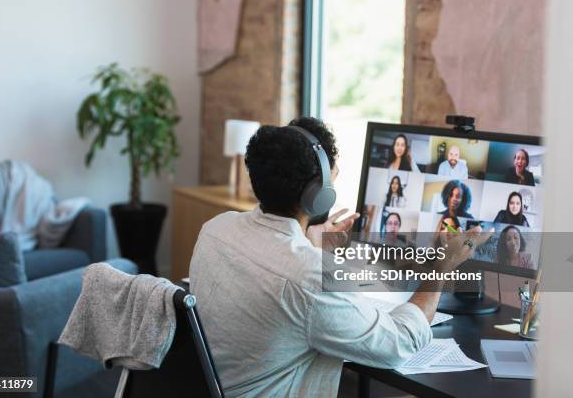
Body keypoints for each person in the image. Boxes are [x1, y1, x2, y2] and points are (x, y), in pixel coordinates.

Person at [189, 117, 490, 397]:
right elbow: (399, 343)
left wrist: (311, 247)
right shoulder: (311, 275)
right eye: (332, 178)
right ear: (317, 195)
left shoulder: (215, 229)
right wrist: (441, 267)